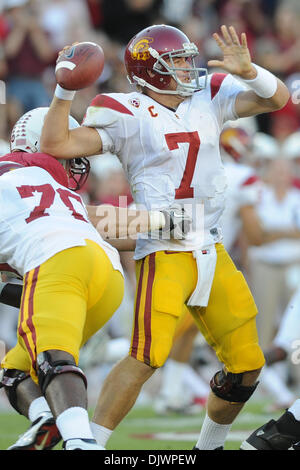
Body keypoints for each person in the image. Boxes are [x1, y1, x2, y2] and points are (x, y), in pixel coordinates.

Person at [40, 24, 290, 450]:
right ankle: (88, 444)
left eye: (186, 57)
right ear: (149, 71)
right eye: (174, 60)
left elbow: (277, 98)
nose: (186, 67)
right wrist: (64, 92)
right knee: (145, 356)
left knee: (248, 365)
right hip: (165, 246)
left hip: (211, 245)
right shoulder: (124, 109)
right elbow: (56, 142)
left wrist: (250, 71)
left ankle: (206, 449)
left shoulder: (207, 96)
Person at [0, 106, 189, 451]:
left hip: (58, 262)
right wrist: (167, 223)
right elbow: (101, 222)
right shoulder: (55, 190)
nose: (74, 163)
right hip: (107, 272)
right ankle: (46, 418)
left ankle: (81, 441)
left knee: (52, 360)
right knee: (17, 371)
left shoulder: (14, 179)